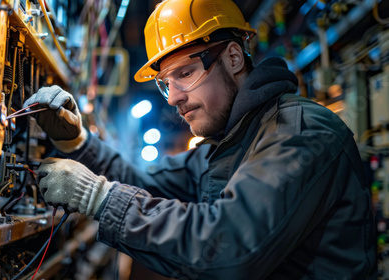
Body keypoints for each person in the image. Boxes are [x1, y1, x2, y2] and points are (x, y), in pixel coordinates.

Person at [24, 0, 376, 278]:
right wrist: (77, 141)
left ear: (234, 58)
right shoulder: (229, 144)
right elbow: (142, 181)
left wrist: (98, 197)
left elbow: (229, 249)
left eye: (186, 73)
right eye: (165, 82)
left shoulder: (298, 132)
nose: (174, 97)